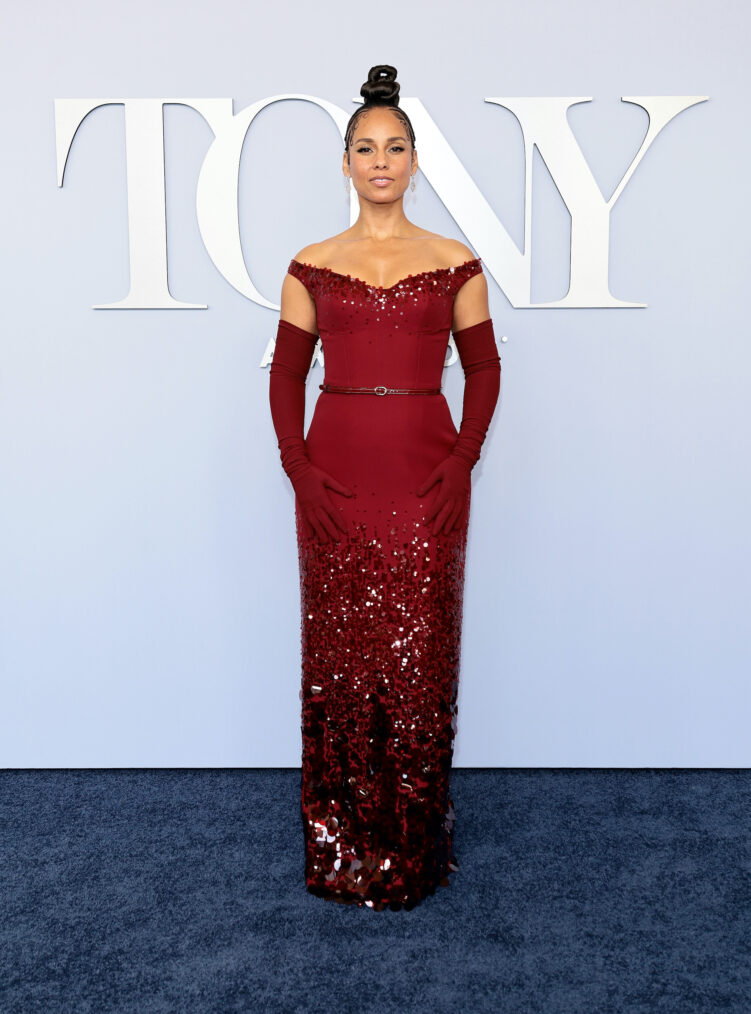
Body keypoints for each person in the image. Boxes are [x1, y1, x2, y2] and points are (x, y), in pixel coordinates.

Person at [268, 64, 501, 911]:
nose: (379, 161)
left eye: (394, 147)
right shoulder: (311, 263)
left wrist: (461, 459)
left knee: (418, 658)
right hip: (334, 479)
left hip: (424, 478)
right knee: (339, 656)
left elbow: (483, 367)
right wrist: (298, 469)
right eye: (364, 148)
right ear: (344, 164)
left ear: (414, 161)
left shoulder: (451, 261)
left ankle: (412, 844)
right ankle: (339, 845)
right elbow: (287, 374)